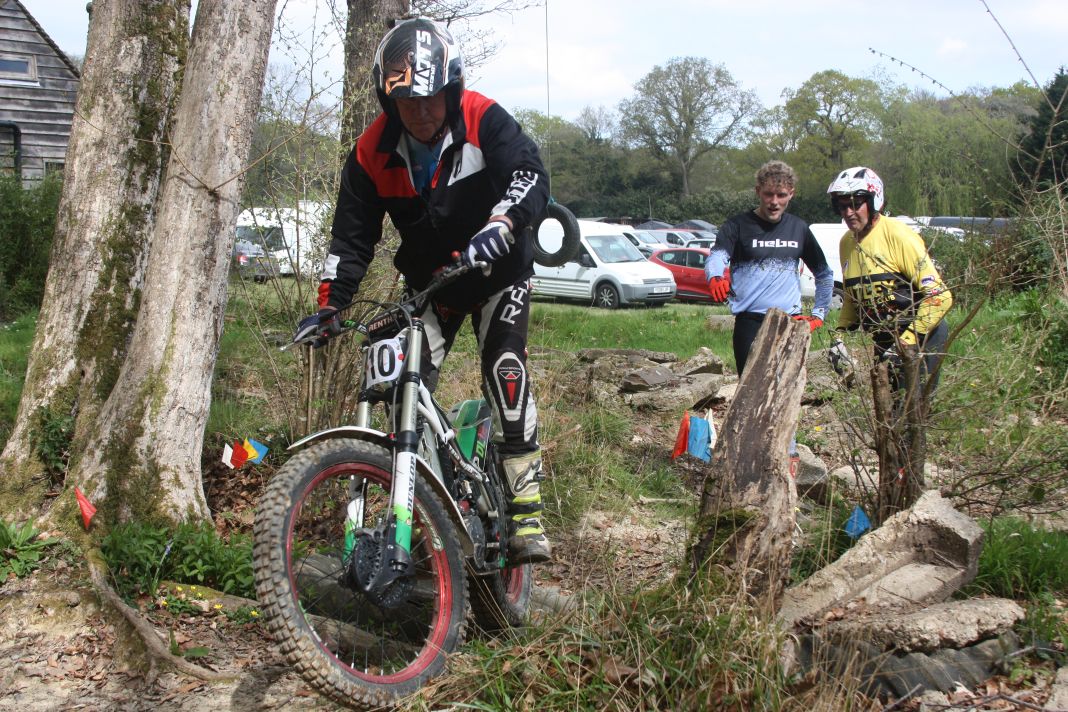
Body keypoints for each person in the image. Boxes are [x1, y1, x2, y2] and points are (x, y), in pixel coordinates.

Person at [295, 17, 551, 564]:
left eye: (431, 98)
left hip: (499, 271)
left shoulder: (482, 117)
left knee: (504, 367)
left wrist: (503, 222)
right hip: (433, 283)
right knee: (401, 386)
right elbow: (350, 238)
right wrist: (330, 305)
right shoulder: (370, 151)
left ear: (451, 90)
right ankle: (426, 505)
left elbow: (530, 173)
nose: (421, 112)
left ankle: (527, 510)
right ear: (388, 102)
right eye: (407, 102)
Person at [704, 160, 834, 472]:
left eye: (781, 195)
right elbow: (717, 255)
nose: (774, 202)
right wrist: (715, 276)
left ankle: (787, 456)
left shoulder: (799, 229)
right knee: (752, 392)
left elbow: (824, 274)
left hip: (789, 322)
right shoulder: (737, 226)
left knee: (785, 390)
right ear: (758, 192)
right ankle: (751, 457)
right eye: (768, 194)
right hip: (750, 322)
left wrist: (819, 313)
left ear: (791, 194)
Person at [825, 166, 953, 394]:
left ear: (874, 202)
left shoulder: (898, 235)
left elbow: (940, 297)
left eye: (855, 204)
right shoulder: (846, 242)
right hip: (883, 339)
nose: (848, 212)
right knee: (886, 407)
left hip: (921, 335)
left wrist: (906, 341)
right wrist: (839, 336)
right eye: (842, 206)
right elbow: (853, 299)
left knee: (910, 408)